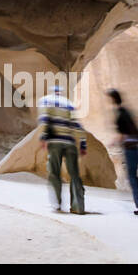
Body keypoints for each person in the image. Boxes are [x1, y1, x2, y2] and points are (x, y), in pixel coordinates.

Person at [37, 83, 87, 214]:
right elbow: (77, 125)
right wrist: (83, 143)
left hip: (55, 142)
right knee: (74, 174)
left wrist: (43, 137)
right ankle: (78, 206)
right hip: (70, 142)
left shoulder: (46, 101)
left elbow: (44, 120)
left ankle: (57, 204)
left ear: (52, 92)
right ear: (61, 93)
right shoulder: (69, 104)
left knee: (54, 172)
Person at [108, 88, 138, 216]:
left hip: (130, 148)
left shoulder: (121, 114)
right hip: (133, 147)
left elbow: (123, 134)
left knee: (132, 178)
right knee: (133, 177)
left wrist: (113, 142)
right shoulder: (126, 112)